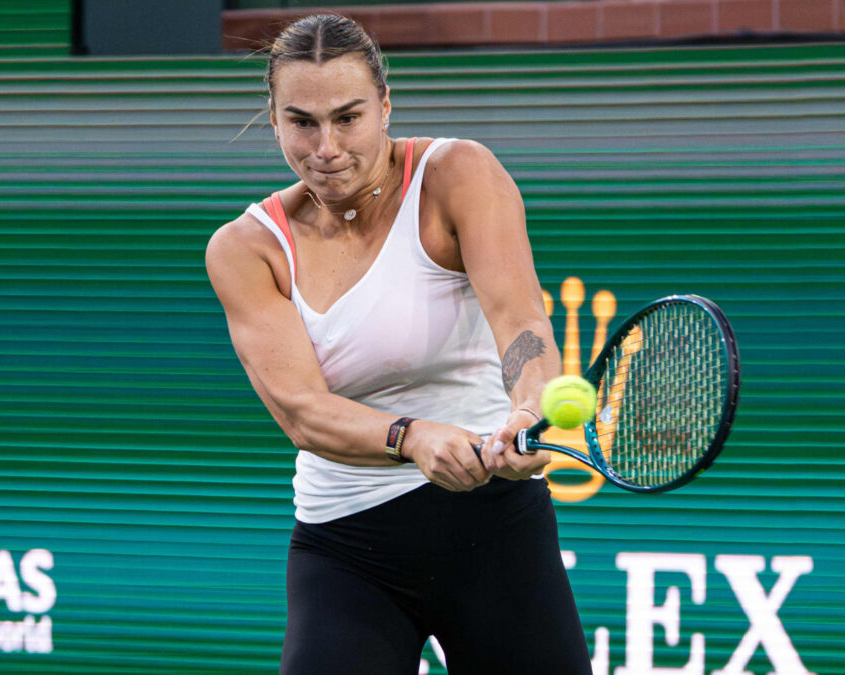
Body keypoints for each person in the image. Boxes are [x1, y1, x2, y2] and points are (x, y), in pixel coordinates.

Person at [206, 14, 592, 674]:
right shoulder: (245, 249)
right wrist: (410, 436)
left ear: (386, 105)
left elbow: (521, 321)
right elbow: (301, 411)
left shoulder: (459, 174)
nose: (325, 145)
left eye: (348, 117)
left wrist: (530, 408)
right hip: (346, 549)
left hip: (493, 527)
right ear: (273, 120)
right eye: (301, 122)